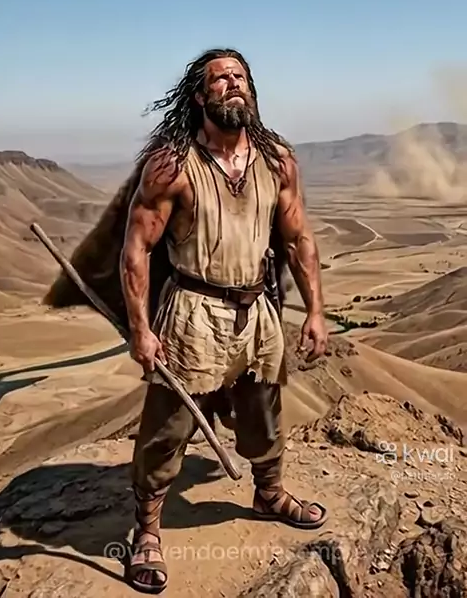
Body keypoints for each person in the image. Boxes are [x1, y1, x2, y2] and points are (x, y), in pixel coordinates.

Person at [120, 48, 328, 593]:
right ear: (199, 96)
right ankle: (147, 530)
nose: (233, 84)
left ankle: (269, 494)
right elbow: (137, 248)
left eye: (240, 77)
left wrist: (315, 311)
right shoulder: (172, 165)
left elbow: (297, 239)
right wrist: (141, 329)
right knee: (169, 425)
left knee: (264, 411)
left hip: (257, 310)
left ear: (251, 91)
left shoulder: (277, 160)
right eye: (220, 79)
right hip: (193, 311)